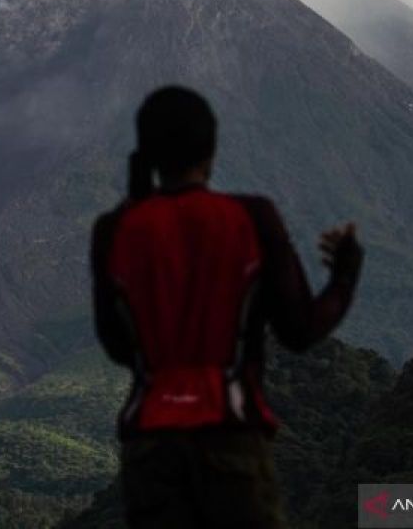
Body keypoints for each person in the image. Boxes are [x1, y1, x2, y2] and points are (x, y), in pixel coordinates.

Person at [91, 85, 363, 528]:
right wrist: (345, 275)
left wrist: (138, 199)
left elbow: (118, 344)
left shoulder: (114, 231)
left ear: (148, 153)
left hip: (151, 445)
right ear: (211, 149)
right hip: (230, 435)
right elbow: (299, 330)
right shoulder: (252, 218)